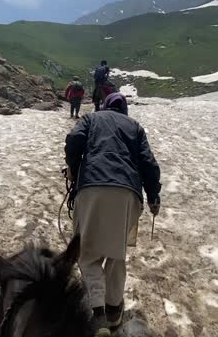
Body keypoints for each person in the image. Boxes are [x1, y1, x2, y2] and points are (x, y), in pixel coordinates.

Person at [64, 92, 161, 337]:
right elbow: (148, 163)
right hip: (128, 194)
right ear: (124, 109)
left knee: (87, 254)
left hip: (92, 188)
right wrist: (154, 196)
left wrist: (74, 169)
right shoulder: (134, 127)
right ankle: (114, 310)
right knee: (117, 255)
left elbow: (75, 139)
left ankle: (97, 315)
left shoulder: (91, 119)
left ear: (106, 105)